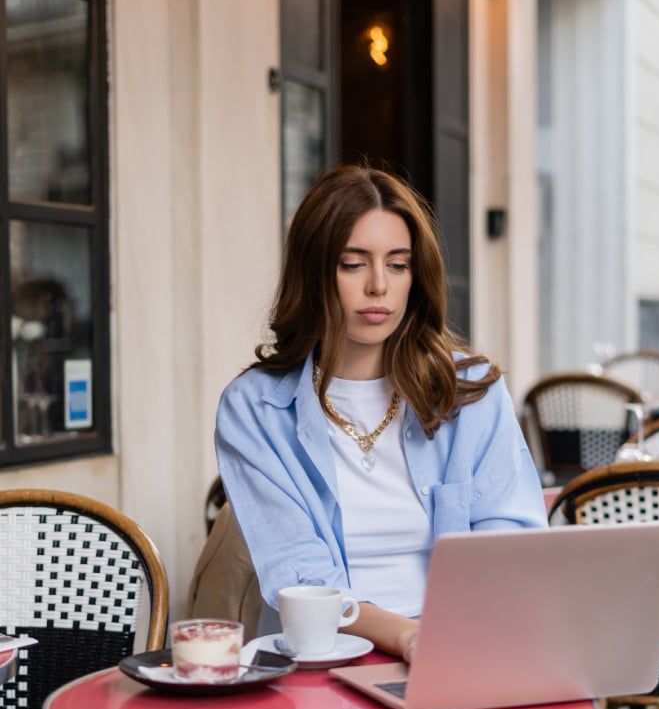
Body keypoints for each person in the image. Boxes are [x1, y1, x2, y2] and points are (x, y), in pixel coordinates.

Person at [214, 164, 547, 662]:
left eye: (397, 264)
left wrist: (453, 642)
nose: (378, 286)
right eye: (353, 264)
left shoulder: (471, 394)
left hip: (462, 643)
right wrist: (412, 639)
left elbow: (511, 540)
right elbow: (303, 579)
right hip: (323, 654)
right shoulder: (255, 409)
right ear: (314, 272)